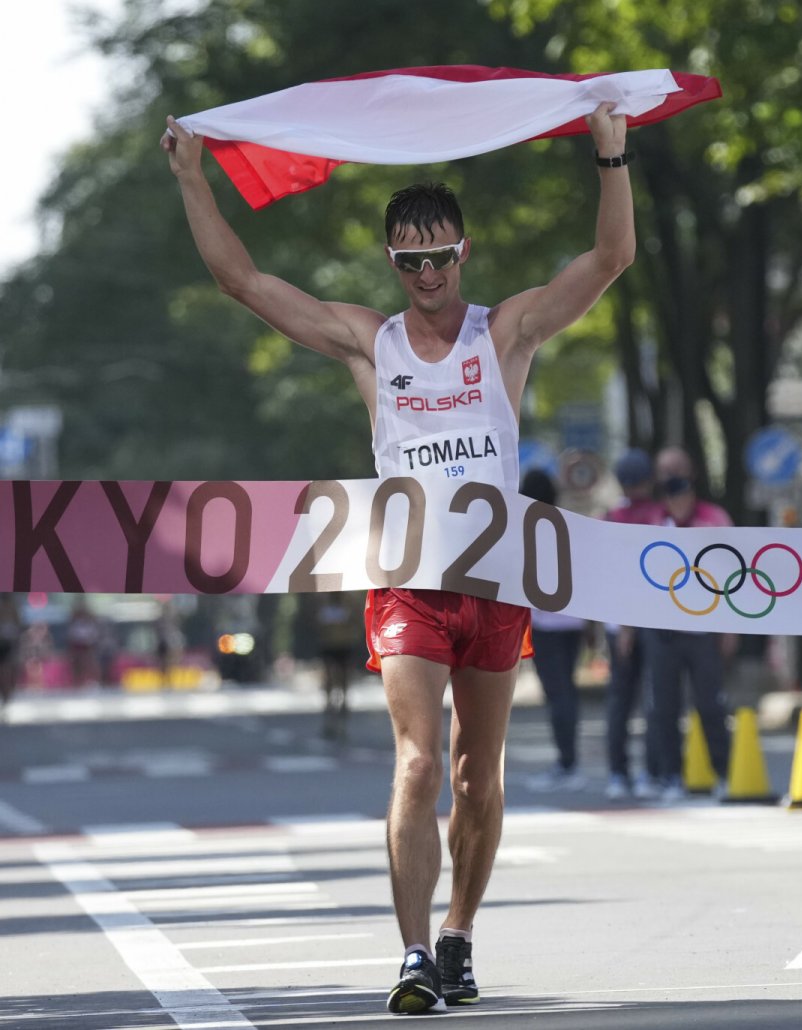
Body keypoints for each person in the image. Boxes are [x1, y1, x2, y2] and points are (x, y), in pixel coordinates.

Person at [163, 100, 634, 1014]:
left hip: (494, 583)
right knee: (419, 762)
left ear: (464, 251)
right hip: (406, 583)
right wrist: (192, 175)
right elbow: (244, 282)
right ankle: (414, 952)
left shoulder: (505, 334)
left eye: (440, 257)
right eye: (409, 261)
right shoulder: (367, 343)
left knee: (477, 776)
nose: (426, 275)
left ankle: (458, 930)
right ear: (392, 262)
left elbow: (610, 260)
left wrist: (609, 156)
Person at [639, 446, 734, 799]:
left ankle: (723, 772)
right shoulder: (651, 520)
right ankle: (670, 776)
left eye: (677, 470)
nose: (672, 479)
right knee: (663, 708)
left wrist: (730, 628)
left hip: (704, 630)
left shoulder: (714, 518)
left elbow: (733, 576)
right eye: (665, 471)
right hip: (662, 632)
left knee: (711, 704)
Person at [518, 468, 589, 790]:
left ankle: (567, 763)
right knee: (567, 691)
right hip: (573, 621)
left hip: (545, 623)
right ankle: (568, 759)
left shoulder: (524, 529)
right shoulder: (568, 526)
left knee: (557, 693)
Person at [602, 448, 663, 799]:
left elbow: (611, 573)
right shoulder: (658, 515)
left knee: (620, 699)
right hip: (649, 618)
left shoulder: (611, 518)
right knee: (651, 698)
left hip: (618, 620)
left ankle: (618, 773)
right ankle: (650, 771)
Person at [315, 591, 366, 742]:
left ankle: (342, 720)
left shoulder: (350, 601)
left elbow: (358, 620)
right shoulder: (322, 601)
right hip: (328, 646)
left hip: (345, 645)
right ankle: (329, 717)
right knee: (329, 680)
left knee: (344, 682)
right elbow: (316, 622)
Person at [0, 595, 20, 720]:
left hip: (7, 644)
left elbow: (17, 624)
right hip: (6, 642)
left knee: (6, 672)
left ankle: (6, 700)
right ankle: (6, 699)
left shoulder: (12, 607)